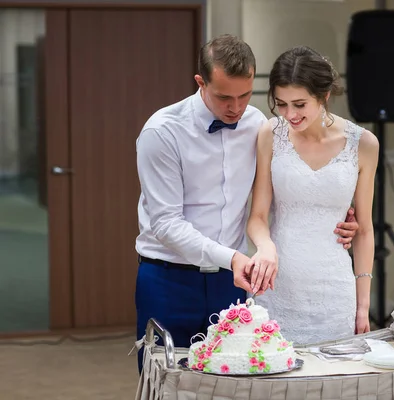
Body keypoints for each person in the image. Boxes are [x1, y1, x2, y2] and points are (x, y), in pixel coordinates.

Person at [134, 35, 358, 371]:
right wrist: (236, 257)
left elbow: (285, 187)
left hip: (232, 282)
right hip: (169, 279)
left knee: (238, 380)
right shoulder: (162, 132)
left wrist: (338, 216)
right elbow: (166, 224)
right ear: (200, 82)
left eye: (244, 95)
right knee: (165, 380)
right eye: (224, 97)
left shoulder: (259, 125)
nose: (236, 108)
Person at [246, 46, 379, 345]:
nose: (290, 114)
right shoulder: (271, 134)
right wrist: (265, 246)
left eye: (300, 104)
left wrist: (363, 305)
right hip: (276, 282)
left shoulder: (364, 144)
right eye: (281, 104)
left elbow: (365, 230)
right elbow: (257, 216)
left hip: (334, 287)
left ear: (325, 95)